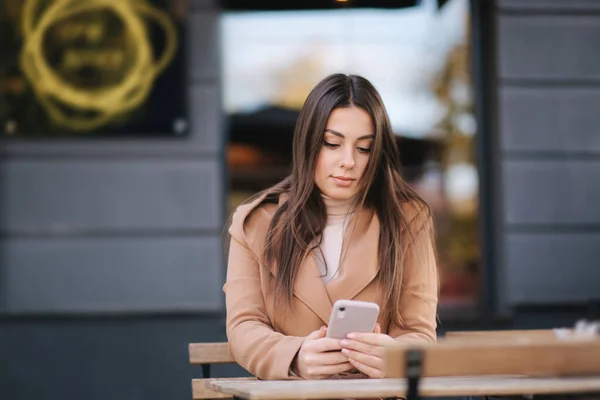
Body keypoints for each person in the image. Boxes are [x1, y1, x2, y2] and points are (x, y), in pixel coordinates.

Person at [224, 73, 438, 381]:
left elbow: (419, 332)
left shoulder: (408, 220)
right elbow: (243, 326)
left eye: (364, 148)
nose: (348, 161)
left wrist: (392, 358)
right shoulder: (256, 222)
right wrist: (295, 357)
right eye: (332, 143)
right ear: (308, 142)